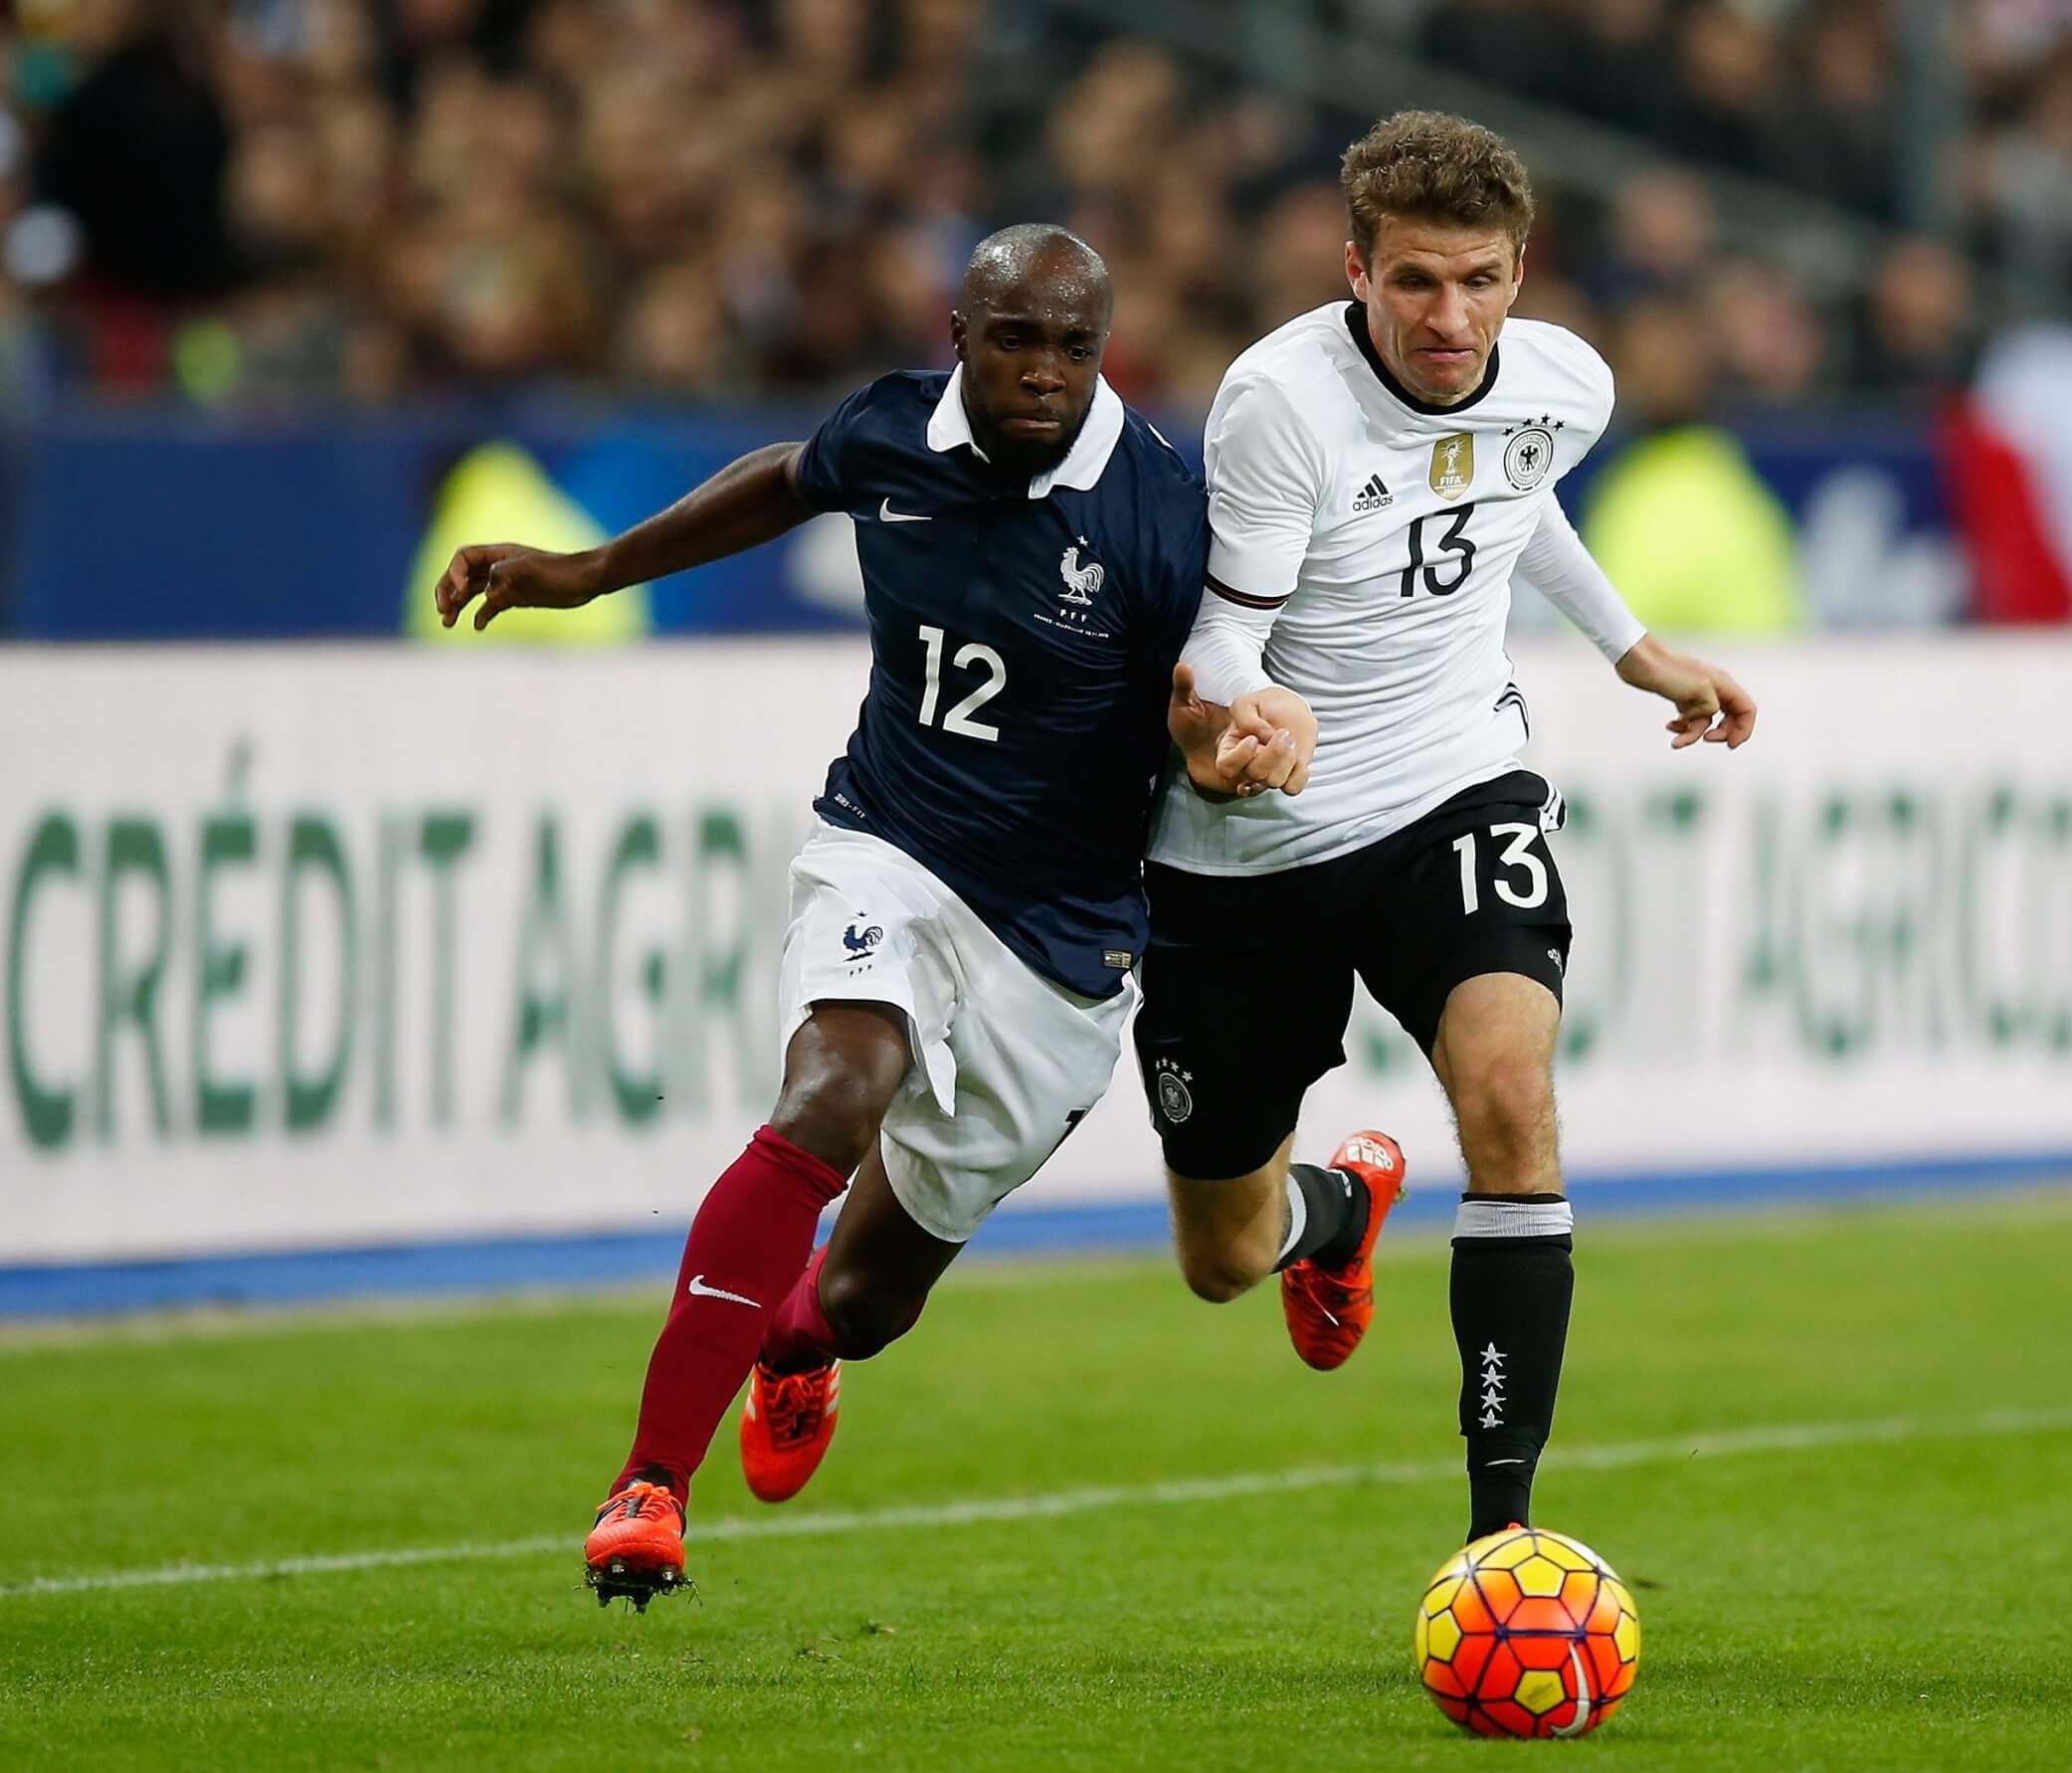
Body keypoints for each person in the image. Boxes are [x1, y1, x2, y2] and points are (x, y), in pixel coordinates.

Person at [434, 225, 1297, 1607]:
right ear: (962, 335)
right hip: (887, 847)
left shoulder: (1153, 516)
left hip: (1062, 939)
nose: (1045, 375)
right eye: (1016, 340)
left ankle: (798, 1347)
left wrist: (1229, 752)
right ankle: (651, 1484)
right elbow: (783, 480)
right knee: (837, 1086)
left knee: (862, 1300)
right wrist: (588, 571)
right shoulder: (895, 430)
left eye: (1075, 348)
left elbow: (1197, 721)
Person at [1135, 111, 1758, 1547]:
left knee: (1511, 1098)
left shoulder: (1563, 379)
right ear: (1354, 268)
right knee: (1222, 1257)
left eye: (1479, 280)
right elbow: (1222, 638)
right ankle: (1335, 1220)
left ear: (1521, 269)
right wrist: (1253, 716)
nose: (1450, 316)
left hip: (1450, 783)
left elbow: (1508, 487)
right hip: (1256, 841)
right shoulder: (1279, 403)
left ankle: (1502, 1538)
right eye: (1414, 281)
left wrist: (1632, 647)